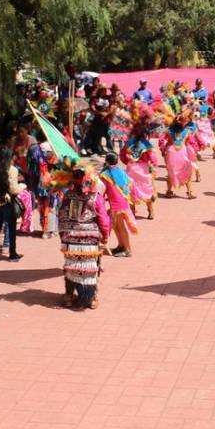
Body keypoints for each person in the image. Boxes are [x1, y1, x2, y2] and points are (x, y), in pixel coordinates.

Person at [58, 167, 110, 310]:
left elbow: (62, 215)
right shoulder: (95, 197)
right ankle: (92, 298)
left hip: (70, 238)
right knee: (91, 267)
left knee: (71, 266)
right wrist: (105, 235)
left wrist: (63, 235)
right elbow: (103, 219)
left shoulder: (68, 195)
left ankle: (69, 296)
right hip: (90, 239)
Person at [99, 153, 137, 258]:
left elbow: (101, 189)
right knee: (116, 226)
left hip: (117, 205)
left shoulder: (105, 175)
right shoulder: (120, 171)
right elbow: (129, 184)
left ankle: (128, 250)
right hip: (122, 201)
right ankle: (121, 245)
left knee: (121, 227)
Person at [121, 121, 158, 221]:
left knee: (131, 190)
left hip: (131, 168)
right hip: (143, 169)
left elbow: (122, 155)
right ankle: (151, 212)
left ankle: (132, 212)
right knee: (147, 190)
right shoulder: (146, 144)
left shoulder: (128, 143)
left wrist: (128, 162)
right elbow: (153, 158)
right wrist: (154, 166)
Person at [160, 116, 195, 199]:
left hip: (171, 152)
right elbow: (192, 143)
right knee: (187, 172)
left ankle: (169, 191)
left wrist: (163, 150)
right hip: (183, 152)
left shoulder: (168, 130)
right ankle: (190, 192)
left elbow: (161, 141)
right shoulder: (187, 131)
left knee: (170, 172)